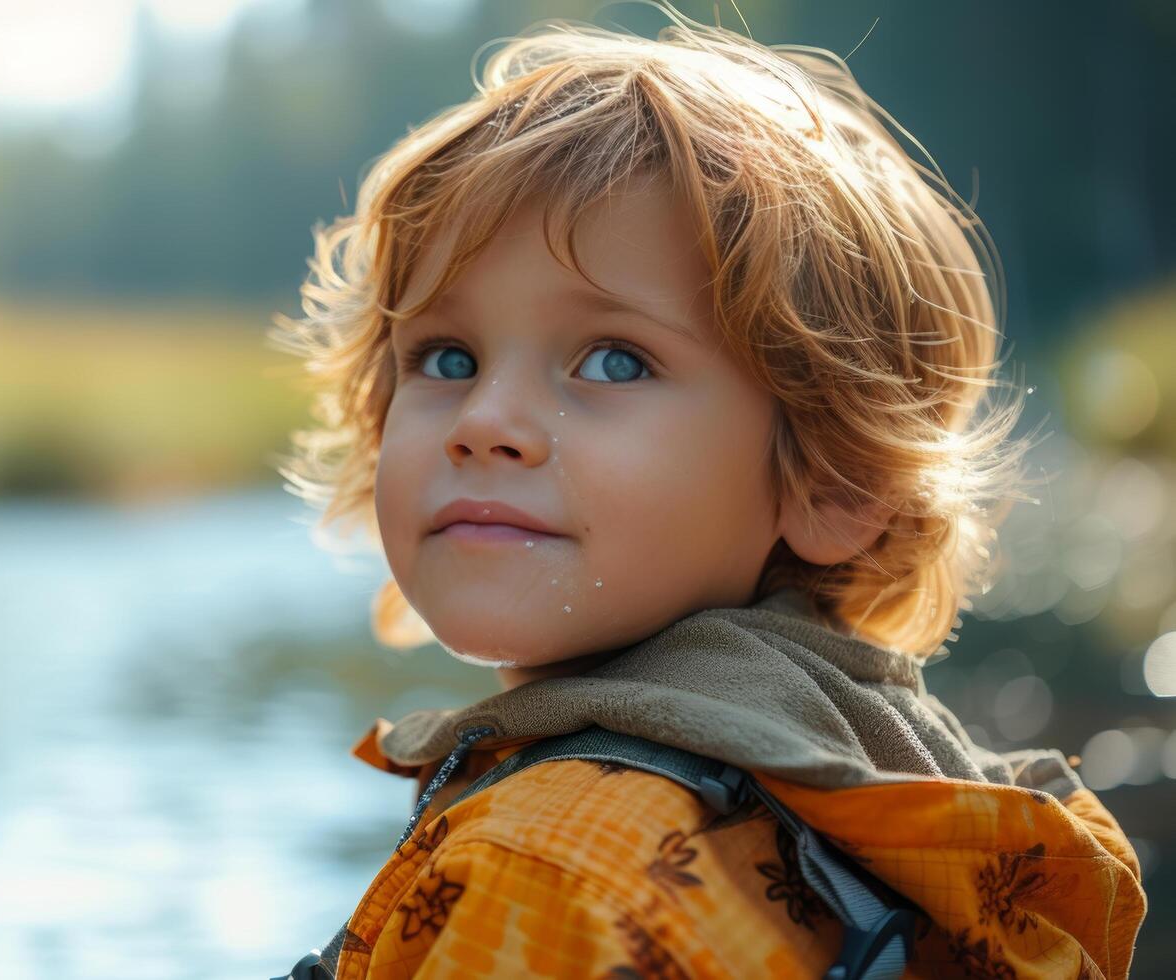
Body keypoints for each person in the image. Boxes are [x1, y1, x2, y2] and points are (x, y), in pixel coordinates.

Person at [265, 5, 1148, 977]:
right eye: (445, 355)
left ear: (835, 480)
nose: (485, 420)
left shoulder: (542, 871)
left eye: (611, 361)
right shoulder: (927, 819)